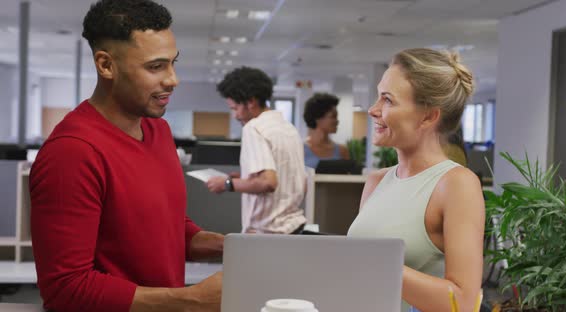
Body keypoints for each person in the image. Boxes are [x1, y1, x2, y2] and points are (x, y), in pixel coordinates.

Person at [29, 1, 224, 311]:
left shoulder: (158, 130)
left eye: (173, 63)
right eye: (155, 66)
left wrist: (233, 246)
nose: (173, 79)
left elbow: (165, 228)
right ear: (106, 65)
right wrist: (191, 299)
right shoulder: (73, 152)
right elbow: (66, 289)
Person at [347, 48, 485, 312]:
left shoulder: (456, 184)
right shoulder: (376, 181)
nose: (373, 110)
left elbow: (464, 302)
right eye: (378, 97)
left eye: (387, 100)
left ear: (429, 116)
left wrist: (377, 262)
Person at [206, 67, 307, 234]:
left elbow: (268, 182)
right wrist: (245, 178)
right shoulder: (288, 128)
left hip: (267, 233)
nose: (235, 115)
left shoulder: (254, 128)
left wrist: (226, 184)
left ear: (251, 102)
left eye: (234, 108)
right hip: (293, 227)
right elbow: (294, 179)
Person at [302, 93, 350, 168]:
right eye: (333, 116)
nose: (337, 121)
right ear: (318, 118)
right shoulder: (300, 150)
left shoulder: (342, 151)